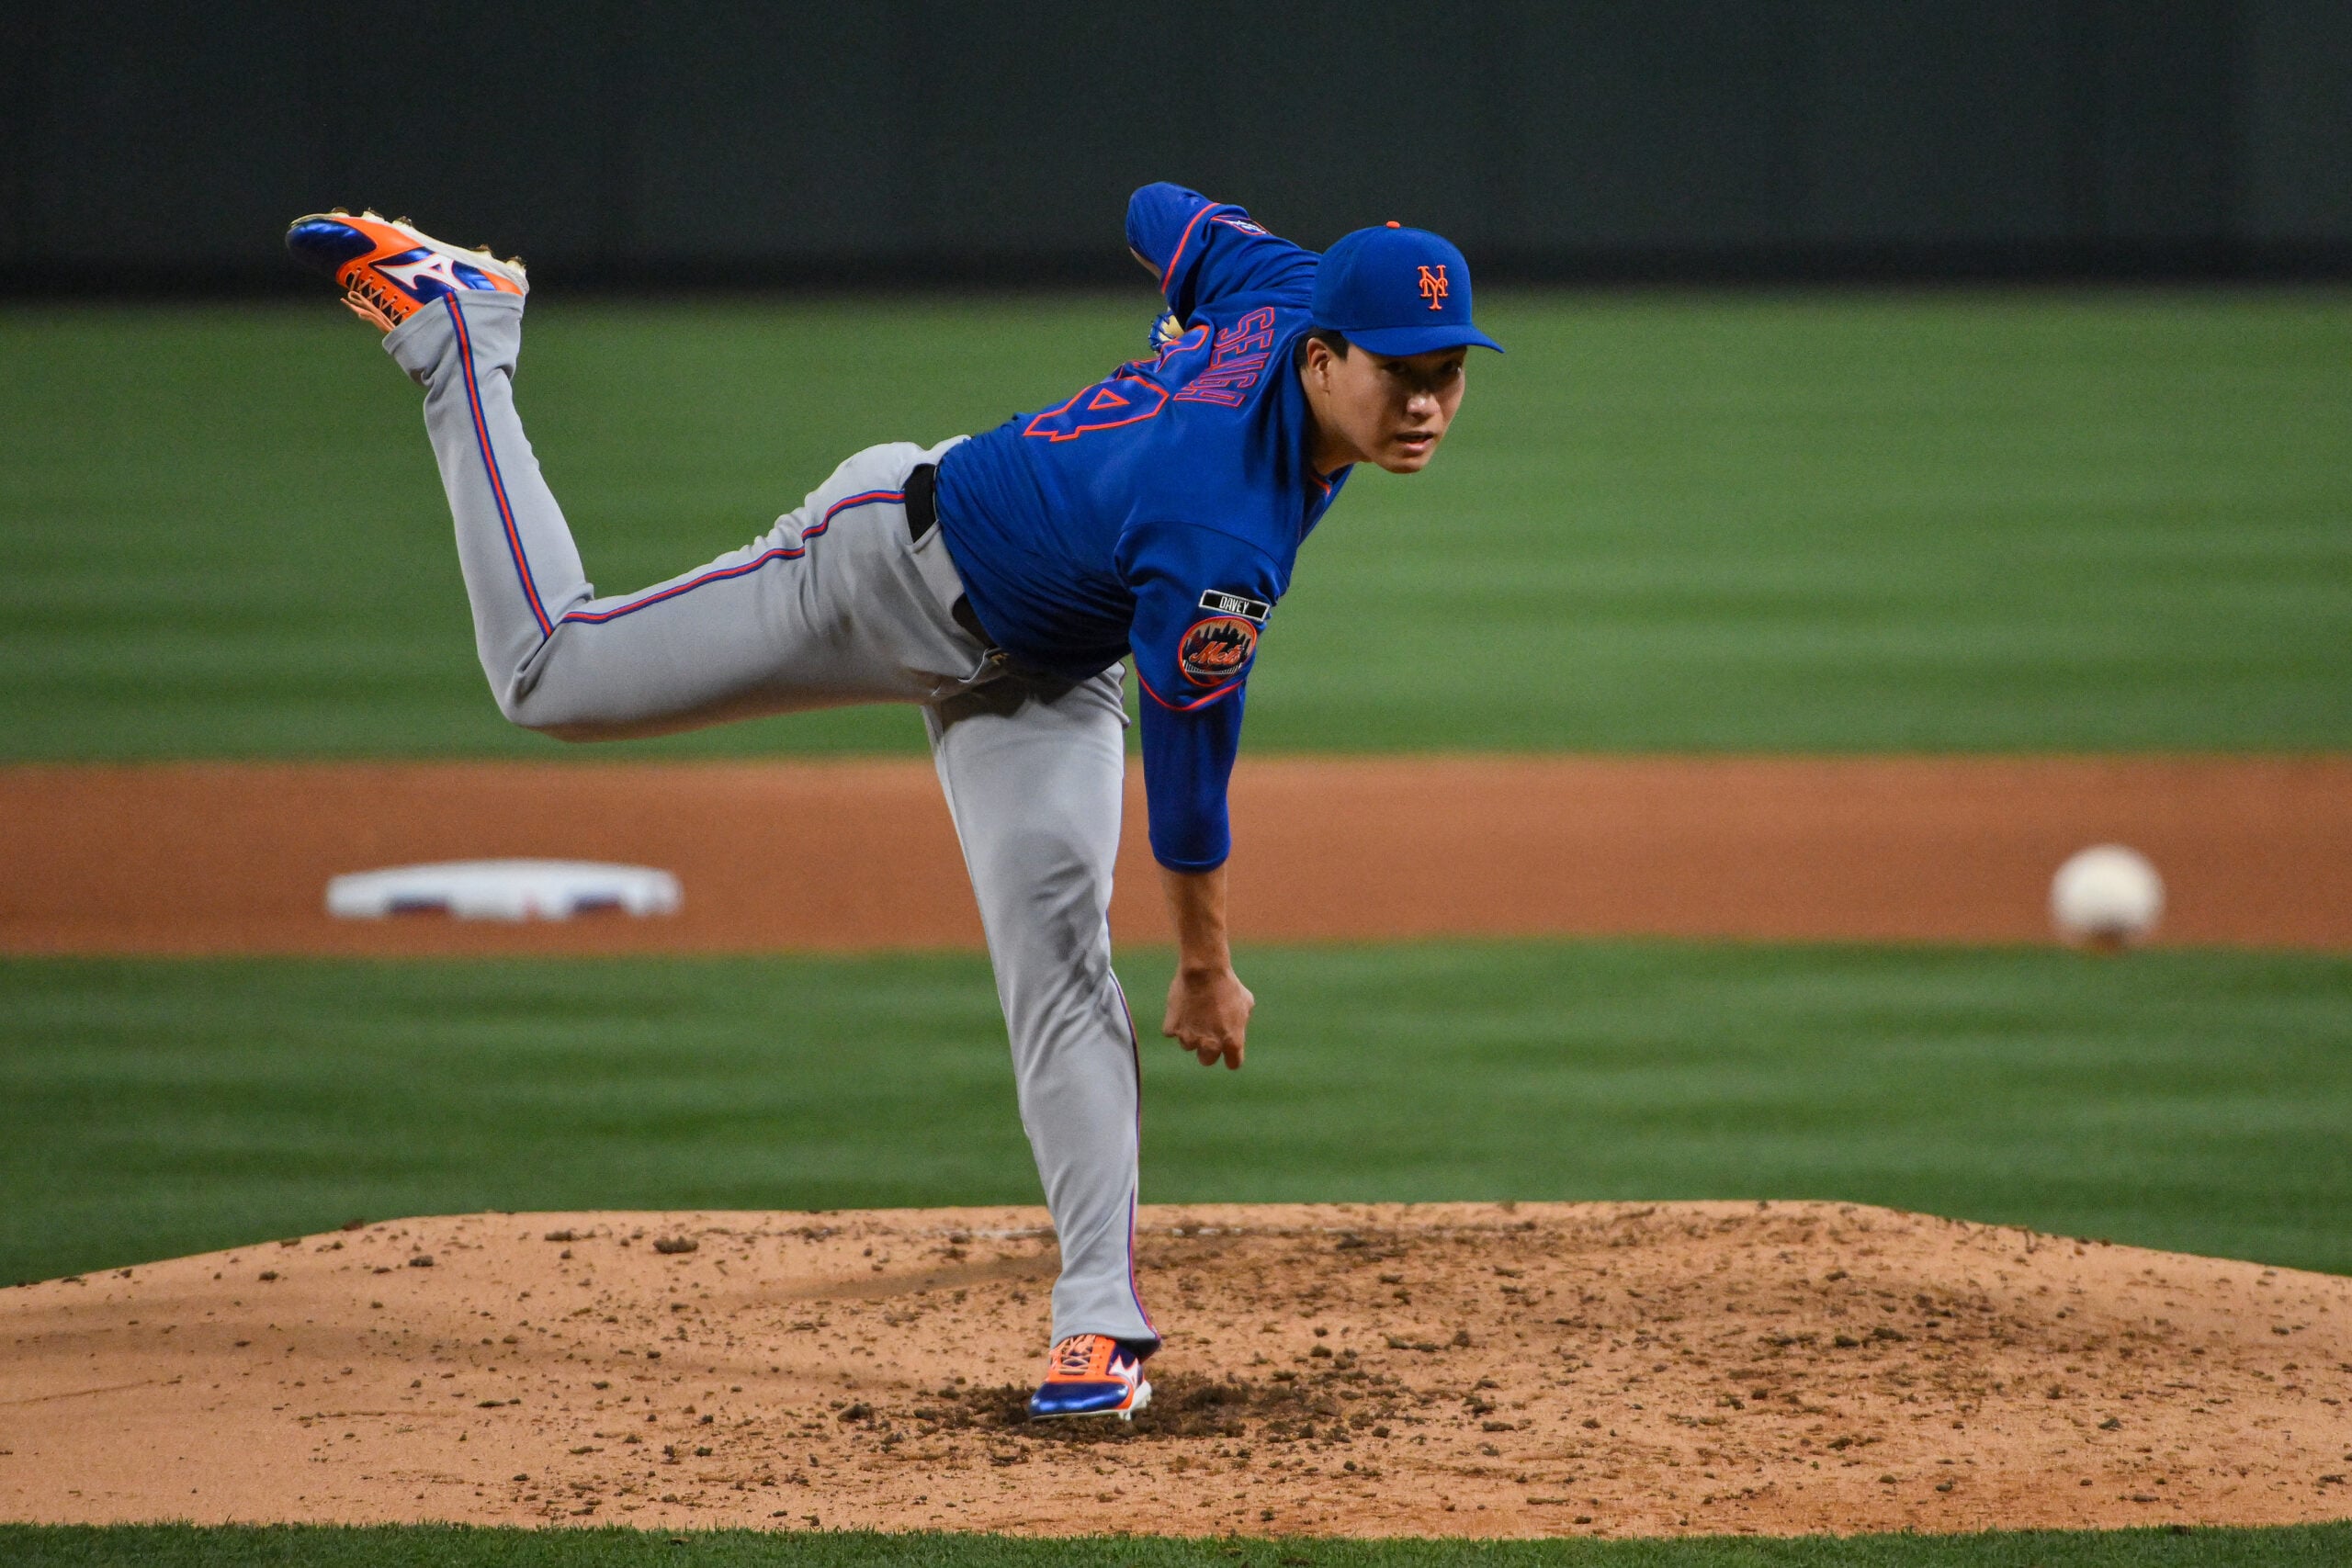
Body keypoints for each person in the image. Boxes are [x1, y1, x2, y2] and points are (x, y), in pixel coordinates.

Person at [284, 185, 1498, 1420]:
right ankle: (462, 337)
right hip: (881, 572)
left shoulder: (1283, 292)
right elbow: (1191, 781)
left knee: (1059, 953)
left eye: (1448, 372)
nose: (1424, 404)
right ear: (1322, 355)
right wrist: (1204, 964)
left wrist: (1198, 315)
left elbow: (1156, 210)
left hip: (1050, 676)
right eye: (1398, 371)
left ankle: (1098, 1333)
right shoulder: (1217, 525)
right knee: (552, 677)